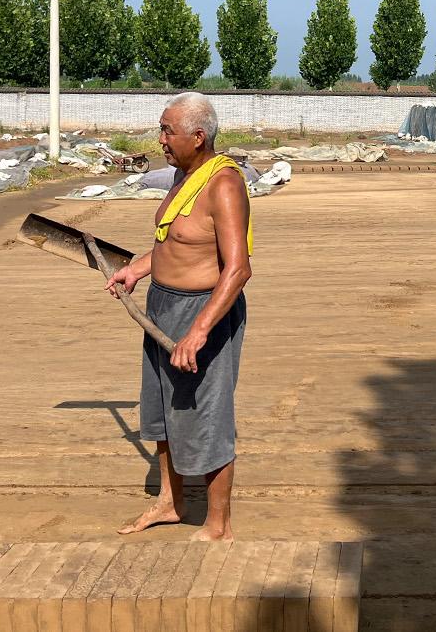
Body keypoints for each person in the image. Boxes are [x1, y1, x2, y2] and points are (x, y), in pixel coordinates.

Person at [105, 92, 252, 541]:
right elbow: (176, 243)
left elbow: (238, 268)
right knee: (163, 413)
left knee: (204, 413)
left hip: (201, 312)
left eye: (168, 130)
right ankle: (170, 502)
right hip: (161, 307)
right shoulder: (182, 175)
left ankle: (218, 524)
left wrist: (198, 332)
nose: (161, 139)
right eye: (162, 128)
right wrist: (137, 268)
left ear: (198, 136)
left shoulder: (223, 184)